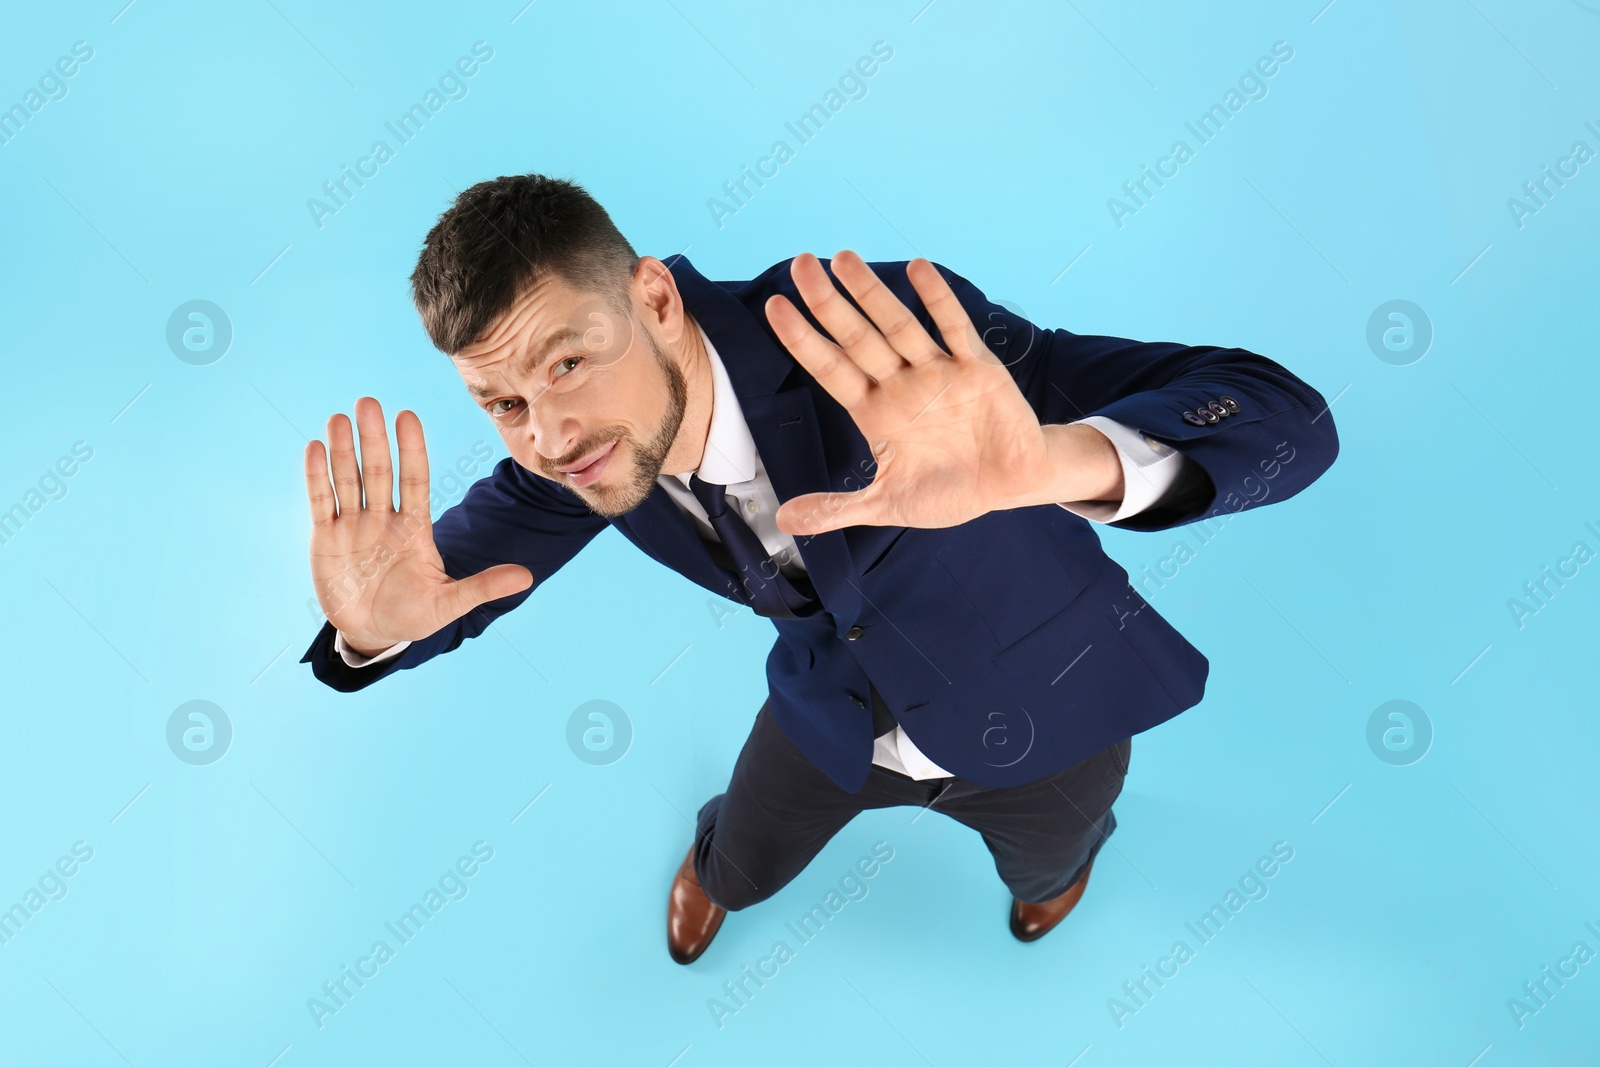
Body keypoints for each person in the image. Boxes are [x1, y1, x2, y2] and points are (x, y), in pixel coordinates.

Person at [299, 174, 1339, 964]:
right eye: (503, 402)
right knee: (741, 852)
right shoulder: (570, 462)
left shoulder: (877, 334)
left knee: (1052, 854)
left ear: (655, 299)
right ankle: (720, 876)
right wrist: (370, 630)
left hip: (1050, 702)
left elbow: (1282, 416)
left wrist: (1054, 460)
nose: (551, 432)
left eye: (568, 360)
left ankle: (1055, 880)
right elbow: (433, 584)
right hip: (823, 716)